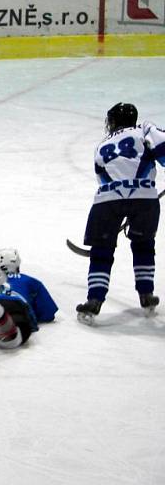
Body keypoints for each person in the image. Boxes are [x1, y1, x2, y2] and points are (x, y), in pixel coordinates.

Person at [76, 103, 165, 324]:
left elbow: (102, 175)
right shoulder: (144, 129)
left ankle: (94, 300)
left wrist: (120, 203)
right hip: (144, 197)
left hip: (107, 199)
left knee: (101, 251)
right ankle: (146, 294)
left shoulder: (102, 145)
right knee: (143, 244)